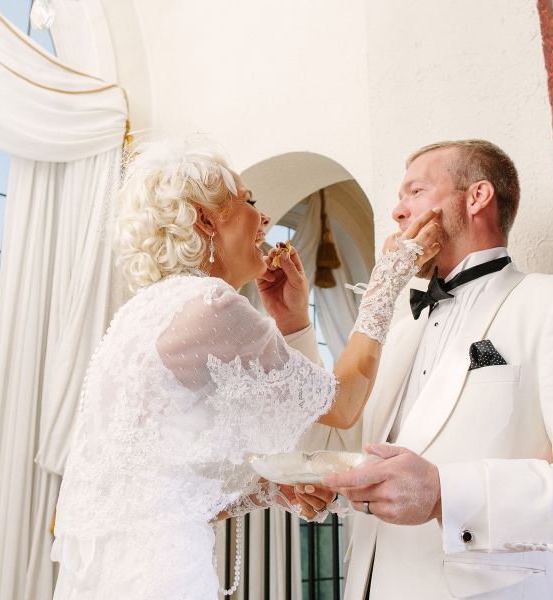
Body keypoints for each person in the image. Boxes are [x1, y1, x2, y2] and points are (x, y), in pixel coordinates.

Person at [50, 137, 440, 600]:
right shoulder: (211, 303)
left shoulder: (138, 315)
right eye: (250, 202)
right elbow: (345, 403)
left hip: (118, 575)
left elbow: (145, 495)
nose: (266, 219)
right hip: (166, 577)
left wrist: (271, 489)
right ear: (205, 219)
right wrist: (388, 278)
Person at [291, 140, 553, 600]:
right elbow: (338, 447)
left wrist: (445, 493)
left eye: (416, 191)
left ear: (477, 197)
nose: (397, 211)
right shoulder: (397, 331)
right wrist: (296, 329)